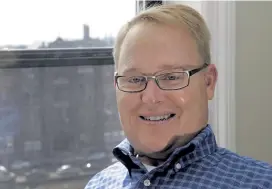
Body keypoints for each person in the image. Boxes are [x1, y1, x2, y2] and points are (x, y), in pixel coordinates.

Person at [85, 4, 272, 189]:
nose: (150, 97)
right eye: (134, 79)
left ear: (208, 82)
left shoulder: (261, 183)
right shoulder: (97, 185)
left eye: (171, 77)